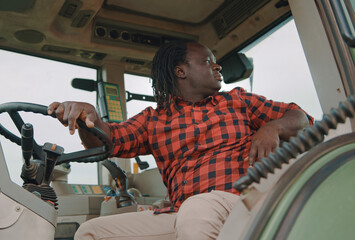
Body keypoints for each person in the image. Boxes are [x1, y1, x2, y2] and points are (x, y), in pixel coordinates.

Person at [48, 40, 313, 240]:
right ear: (181, 71)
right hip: (182, 214)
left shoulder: (238, 101)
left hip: (240, 203)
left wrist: (272, 128)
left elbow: (302, 118)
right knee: (90, 232)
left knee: (198, 207)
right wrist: (87, 118)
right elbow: (108, 142)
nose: (217, 66)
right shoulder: (154, 120)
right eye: (208, 61)